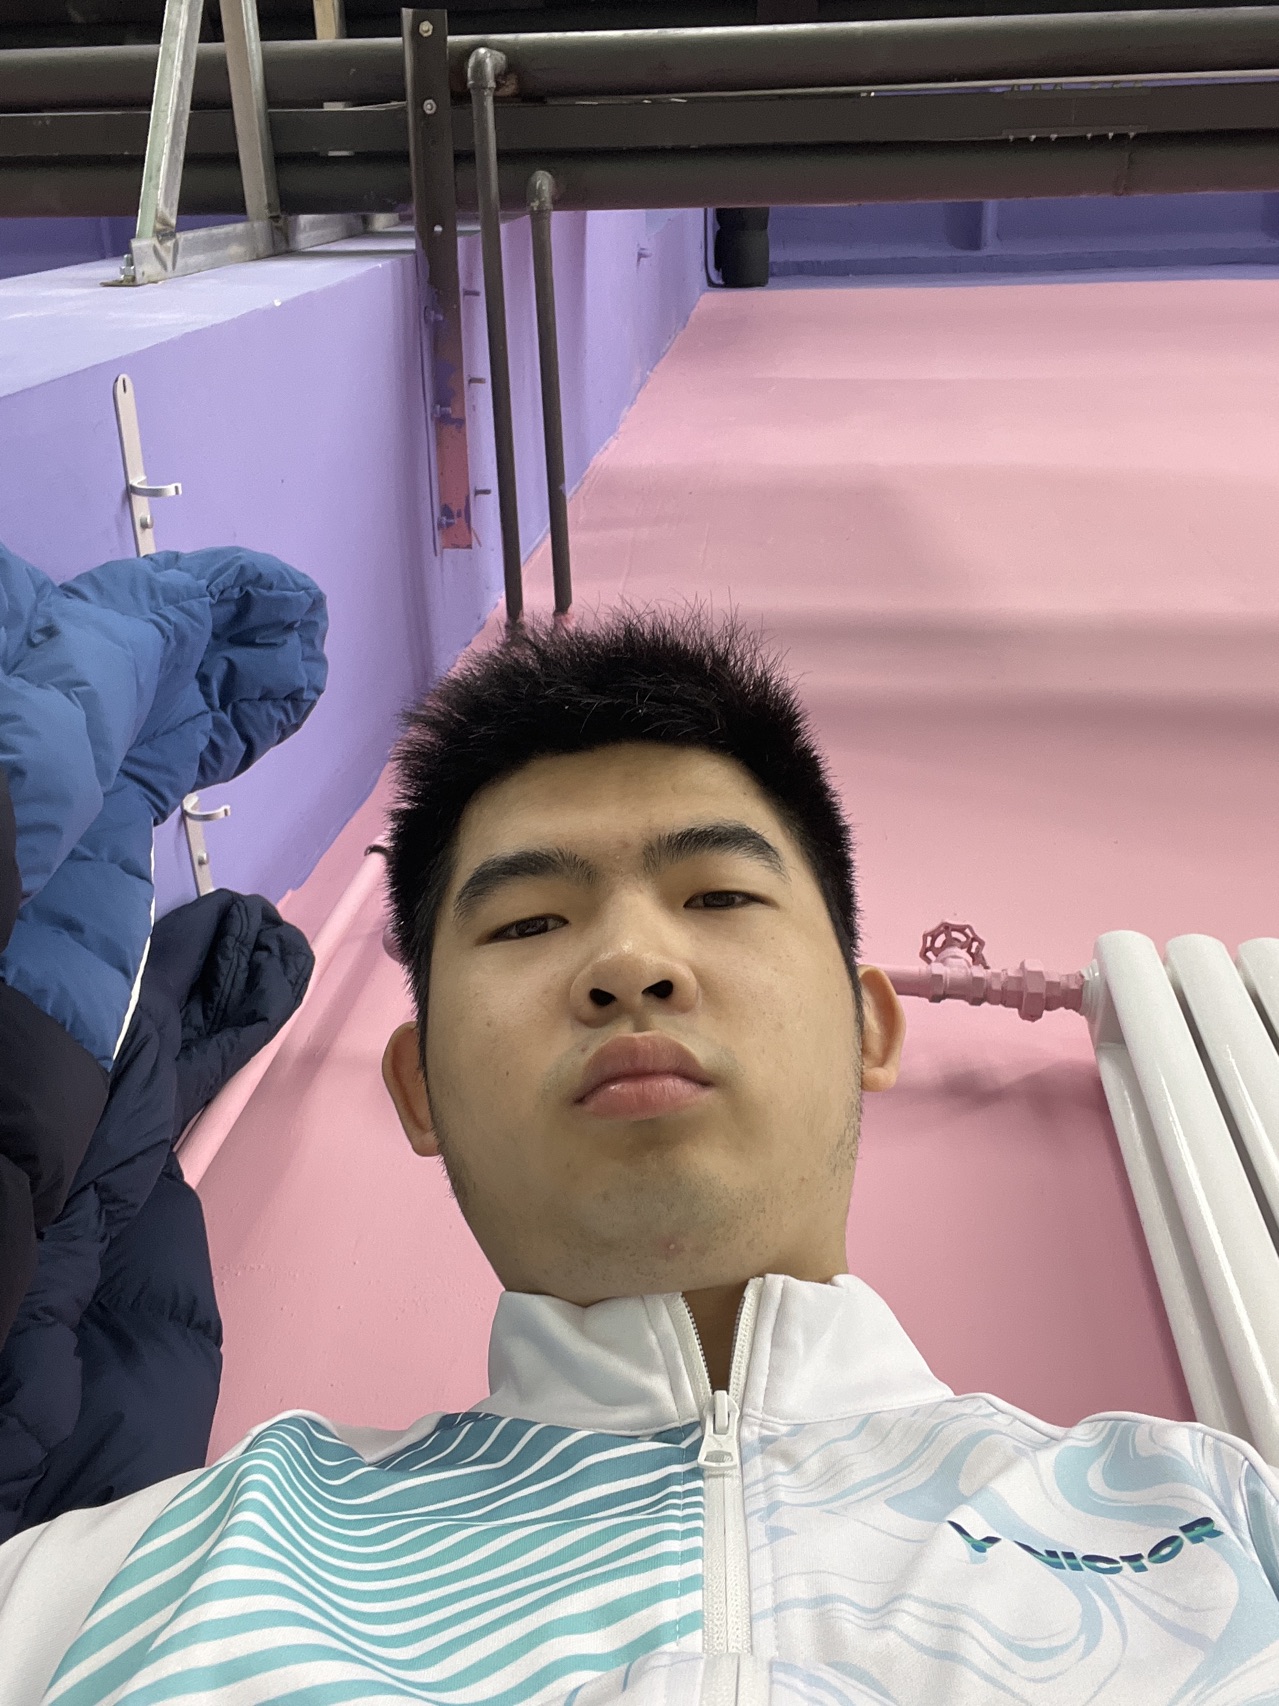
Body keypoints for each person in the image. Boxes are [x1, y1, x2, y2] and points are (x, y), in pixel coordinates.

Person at [1, 610, 1277, 1705]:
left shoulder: (1214, 1519)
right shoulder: (120, 1577)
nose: (628, 961)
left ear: (869, 1027)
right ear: (420, 1086)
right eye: (528, 920)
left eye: (718, 895)